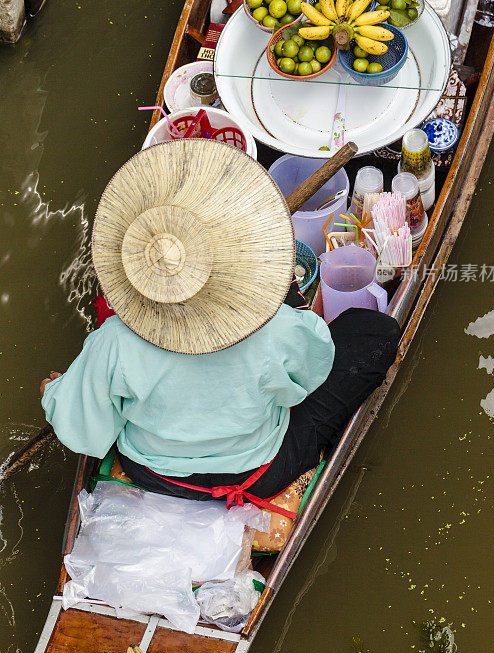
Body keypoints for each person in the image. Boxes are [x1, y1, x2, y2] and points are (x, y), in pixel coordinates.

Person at [41, 139, 400, 513]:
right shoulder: (273, 325)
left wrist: (54, 393)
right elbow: (308, 377)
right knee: (377, 333)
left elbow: (82, 428)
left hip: (154, 472)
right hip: (262, 470)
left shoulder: (113, 341)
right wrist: (286, 300)